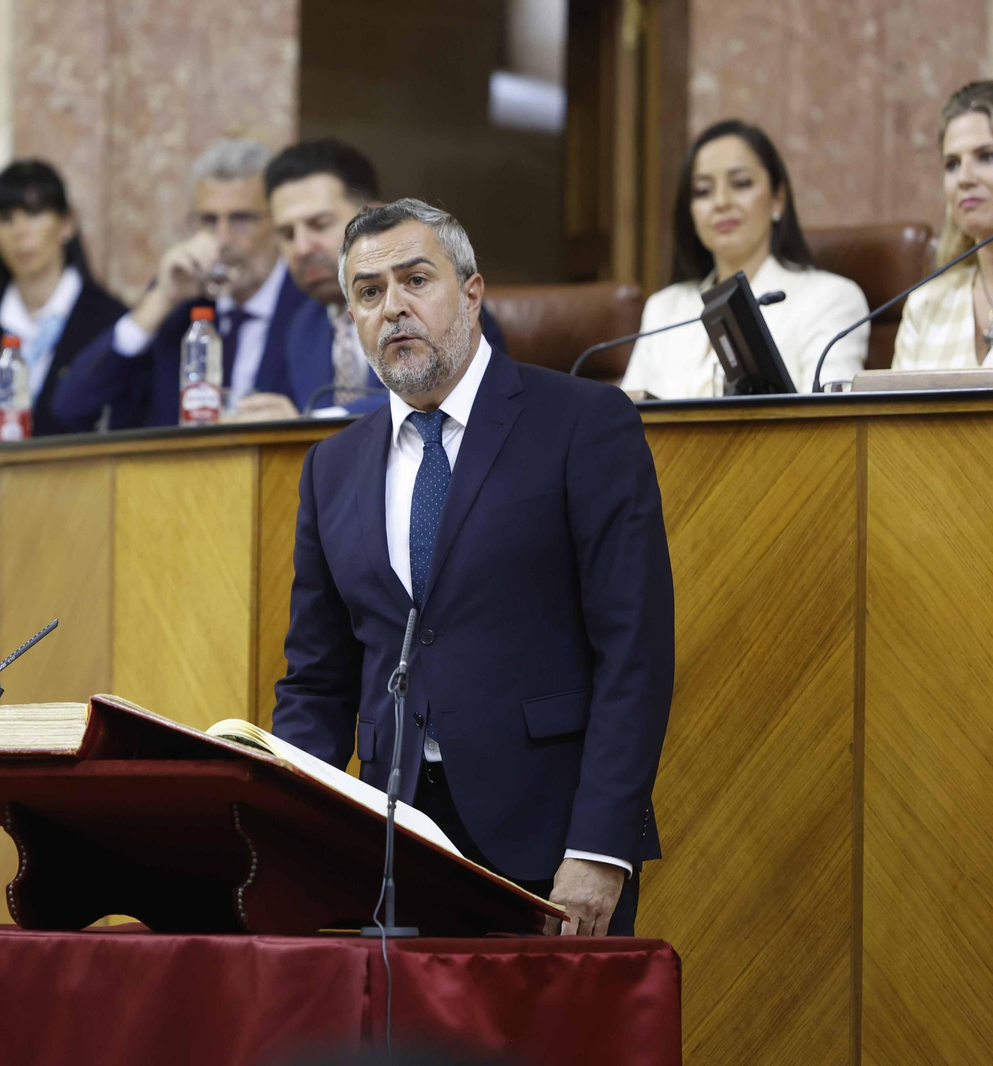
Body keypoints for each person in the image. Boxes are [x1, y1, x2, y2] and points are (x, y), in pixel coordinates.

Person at [272, 200, 672, 937]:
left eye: (415, 279)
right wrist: (288, 840)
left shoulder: (584, 424)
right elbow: (317, 679)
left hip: (550, 840)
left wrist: (600, 845)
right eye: (368, 292)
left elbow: (635, 654)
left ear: (473, 293)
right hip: (391, 841)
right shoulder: (332, 468)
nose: (393, 308)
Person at [49, 138, 310, 428]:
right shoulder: (177, 305)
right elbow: (71, 405)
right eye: (209, 221)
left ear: (277, 224)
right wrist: (161, 299)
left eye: (241, 219)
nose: (222, 238)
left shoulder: (310, 303)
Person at [262, 139, 510, 417]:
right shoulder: (302, 327)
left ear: (371, 219)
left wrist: (310, 420)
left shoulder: (451, 306)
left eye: (319, 225)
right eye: (287, 234)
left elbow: (445, 398)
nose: (302, 247)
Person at [622, 120, 868, 397]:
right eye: (703, 190)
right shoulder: (664, 309)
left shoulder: (829, 298)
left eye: (740, 184)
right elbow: (621, 420)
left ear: (778, 199)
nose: (721, 201)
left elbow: (832, 427)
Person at [0, 160, 127, 436]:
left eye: (34, 214)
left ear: (67, 223)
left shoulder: (111, 320)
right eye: (5, 219)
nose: (20, 231)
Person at [895, 80, 993, 369]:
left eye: (986, 156)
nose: (963, 178)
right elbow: (892, 416)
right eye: (951, 164)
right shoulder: (925, 305)